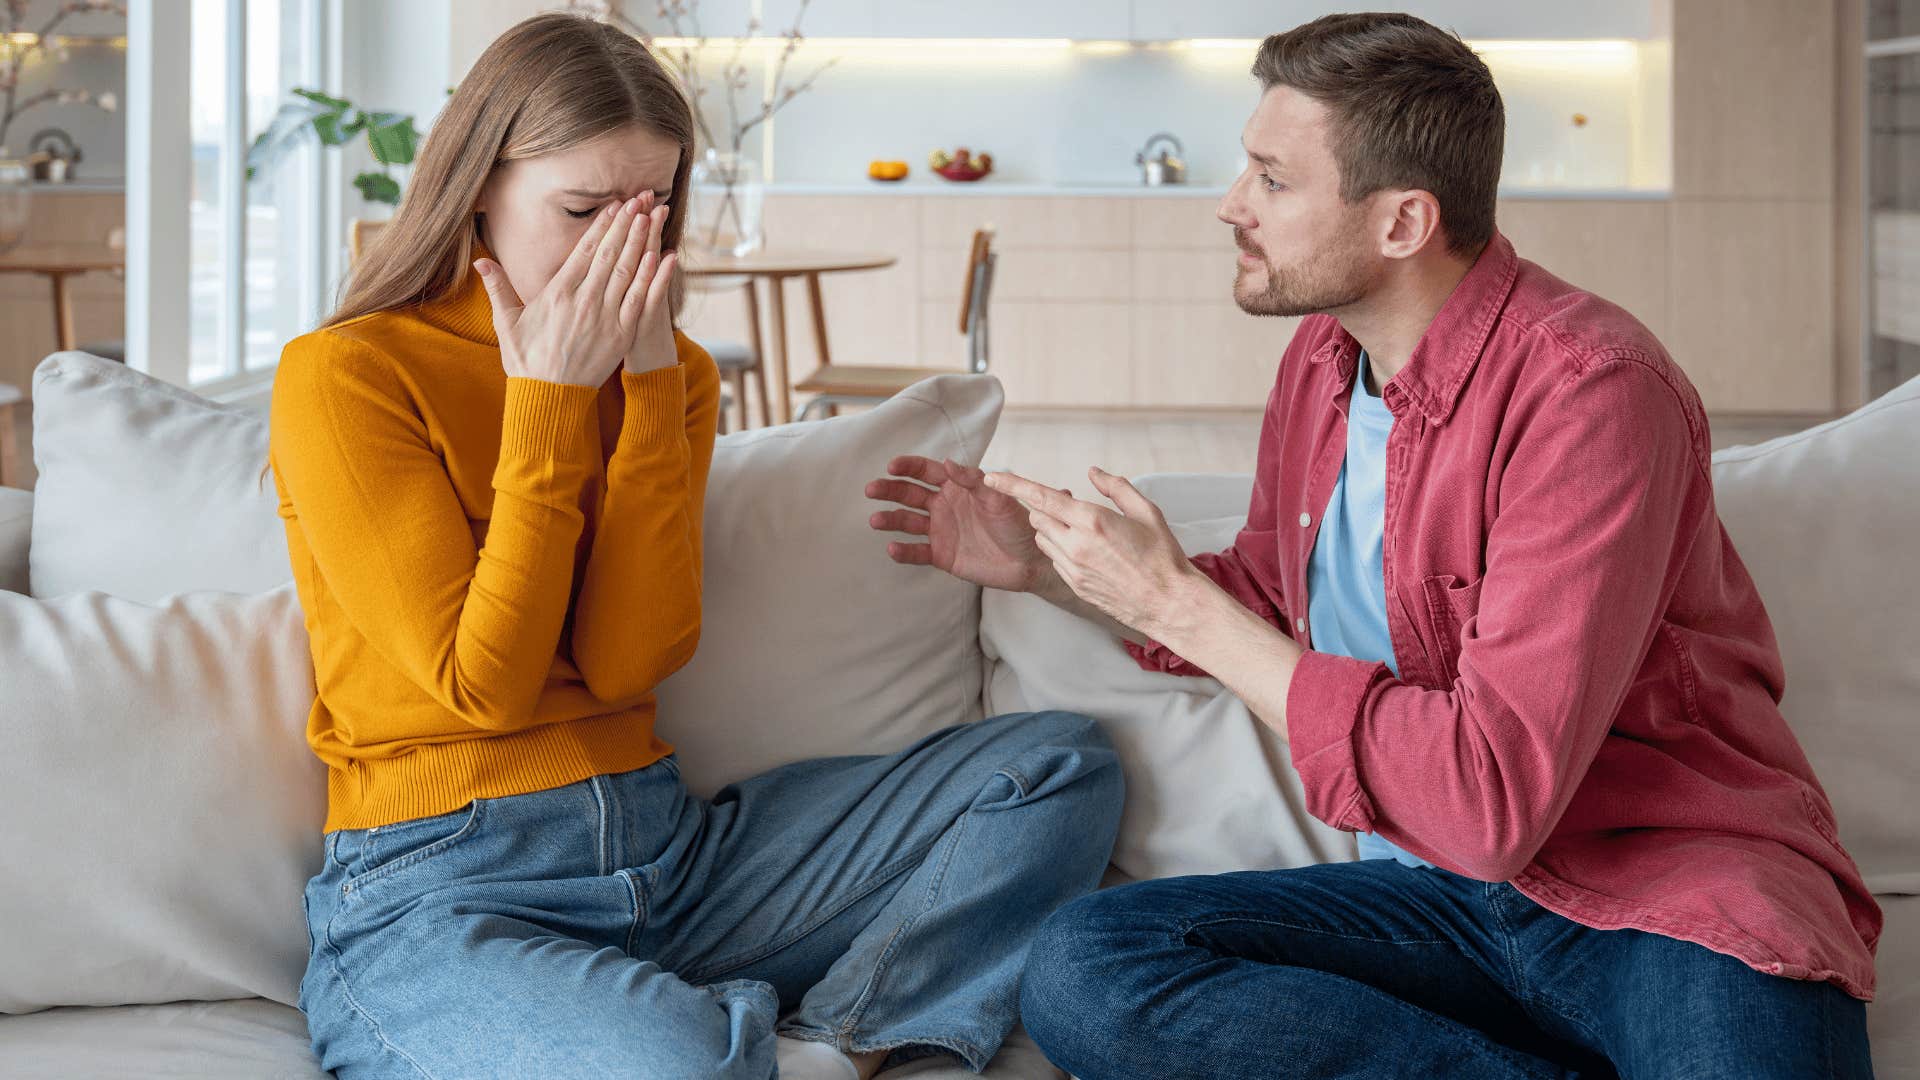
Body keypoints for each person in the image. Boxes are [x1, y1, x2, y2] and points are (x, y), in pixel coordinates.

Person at [867, 12, 1878, 1078]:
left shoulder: (1592, 394)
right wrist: (1052, 569)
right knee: (1089, 965)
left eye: (1271, 179)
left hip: (1665, 897)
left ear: (1402, 223)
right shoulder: (1322, 360)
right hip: (1437, 905)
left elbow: (1490, 806)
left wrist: (1175, 604)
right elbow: (1258, 601)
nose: (1230, 205)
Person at [271, 13, 1123, 1079]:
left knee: (1054, 763)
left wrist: (636, 392)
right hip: (443, 888)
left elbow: (632, 660)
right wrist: (547, 401)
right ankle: (707, 1038)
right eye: (581, 210)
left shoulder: (672, 372)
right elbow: (479, 688)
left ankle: (836, 1042)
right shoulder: (349, 373)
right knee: (669, 1067)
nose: (619, 252)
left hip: (669, 859)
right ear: (481, 183)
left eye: (650, 213)